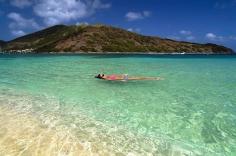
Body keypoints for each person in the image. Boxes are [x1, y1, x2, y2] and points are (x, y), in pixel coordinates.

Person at [95, 74, 163, 81]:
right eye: (102, 74)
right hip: (126, 78)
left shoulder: (107, 77)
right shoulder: (108, 79)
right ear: (101, 77)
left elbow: (116, 76)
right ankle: (155, 78)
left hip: (125, 77)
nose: (104, 74)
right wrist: (124, 78)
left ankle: (155, 78)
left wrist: (123, 75)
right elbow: (116, 79)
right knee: (140, 78)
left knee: (140, 77)